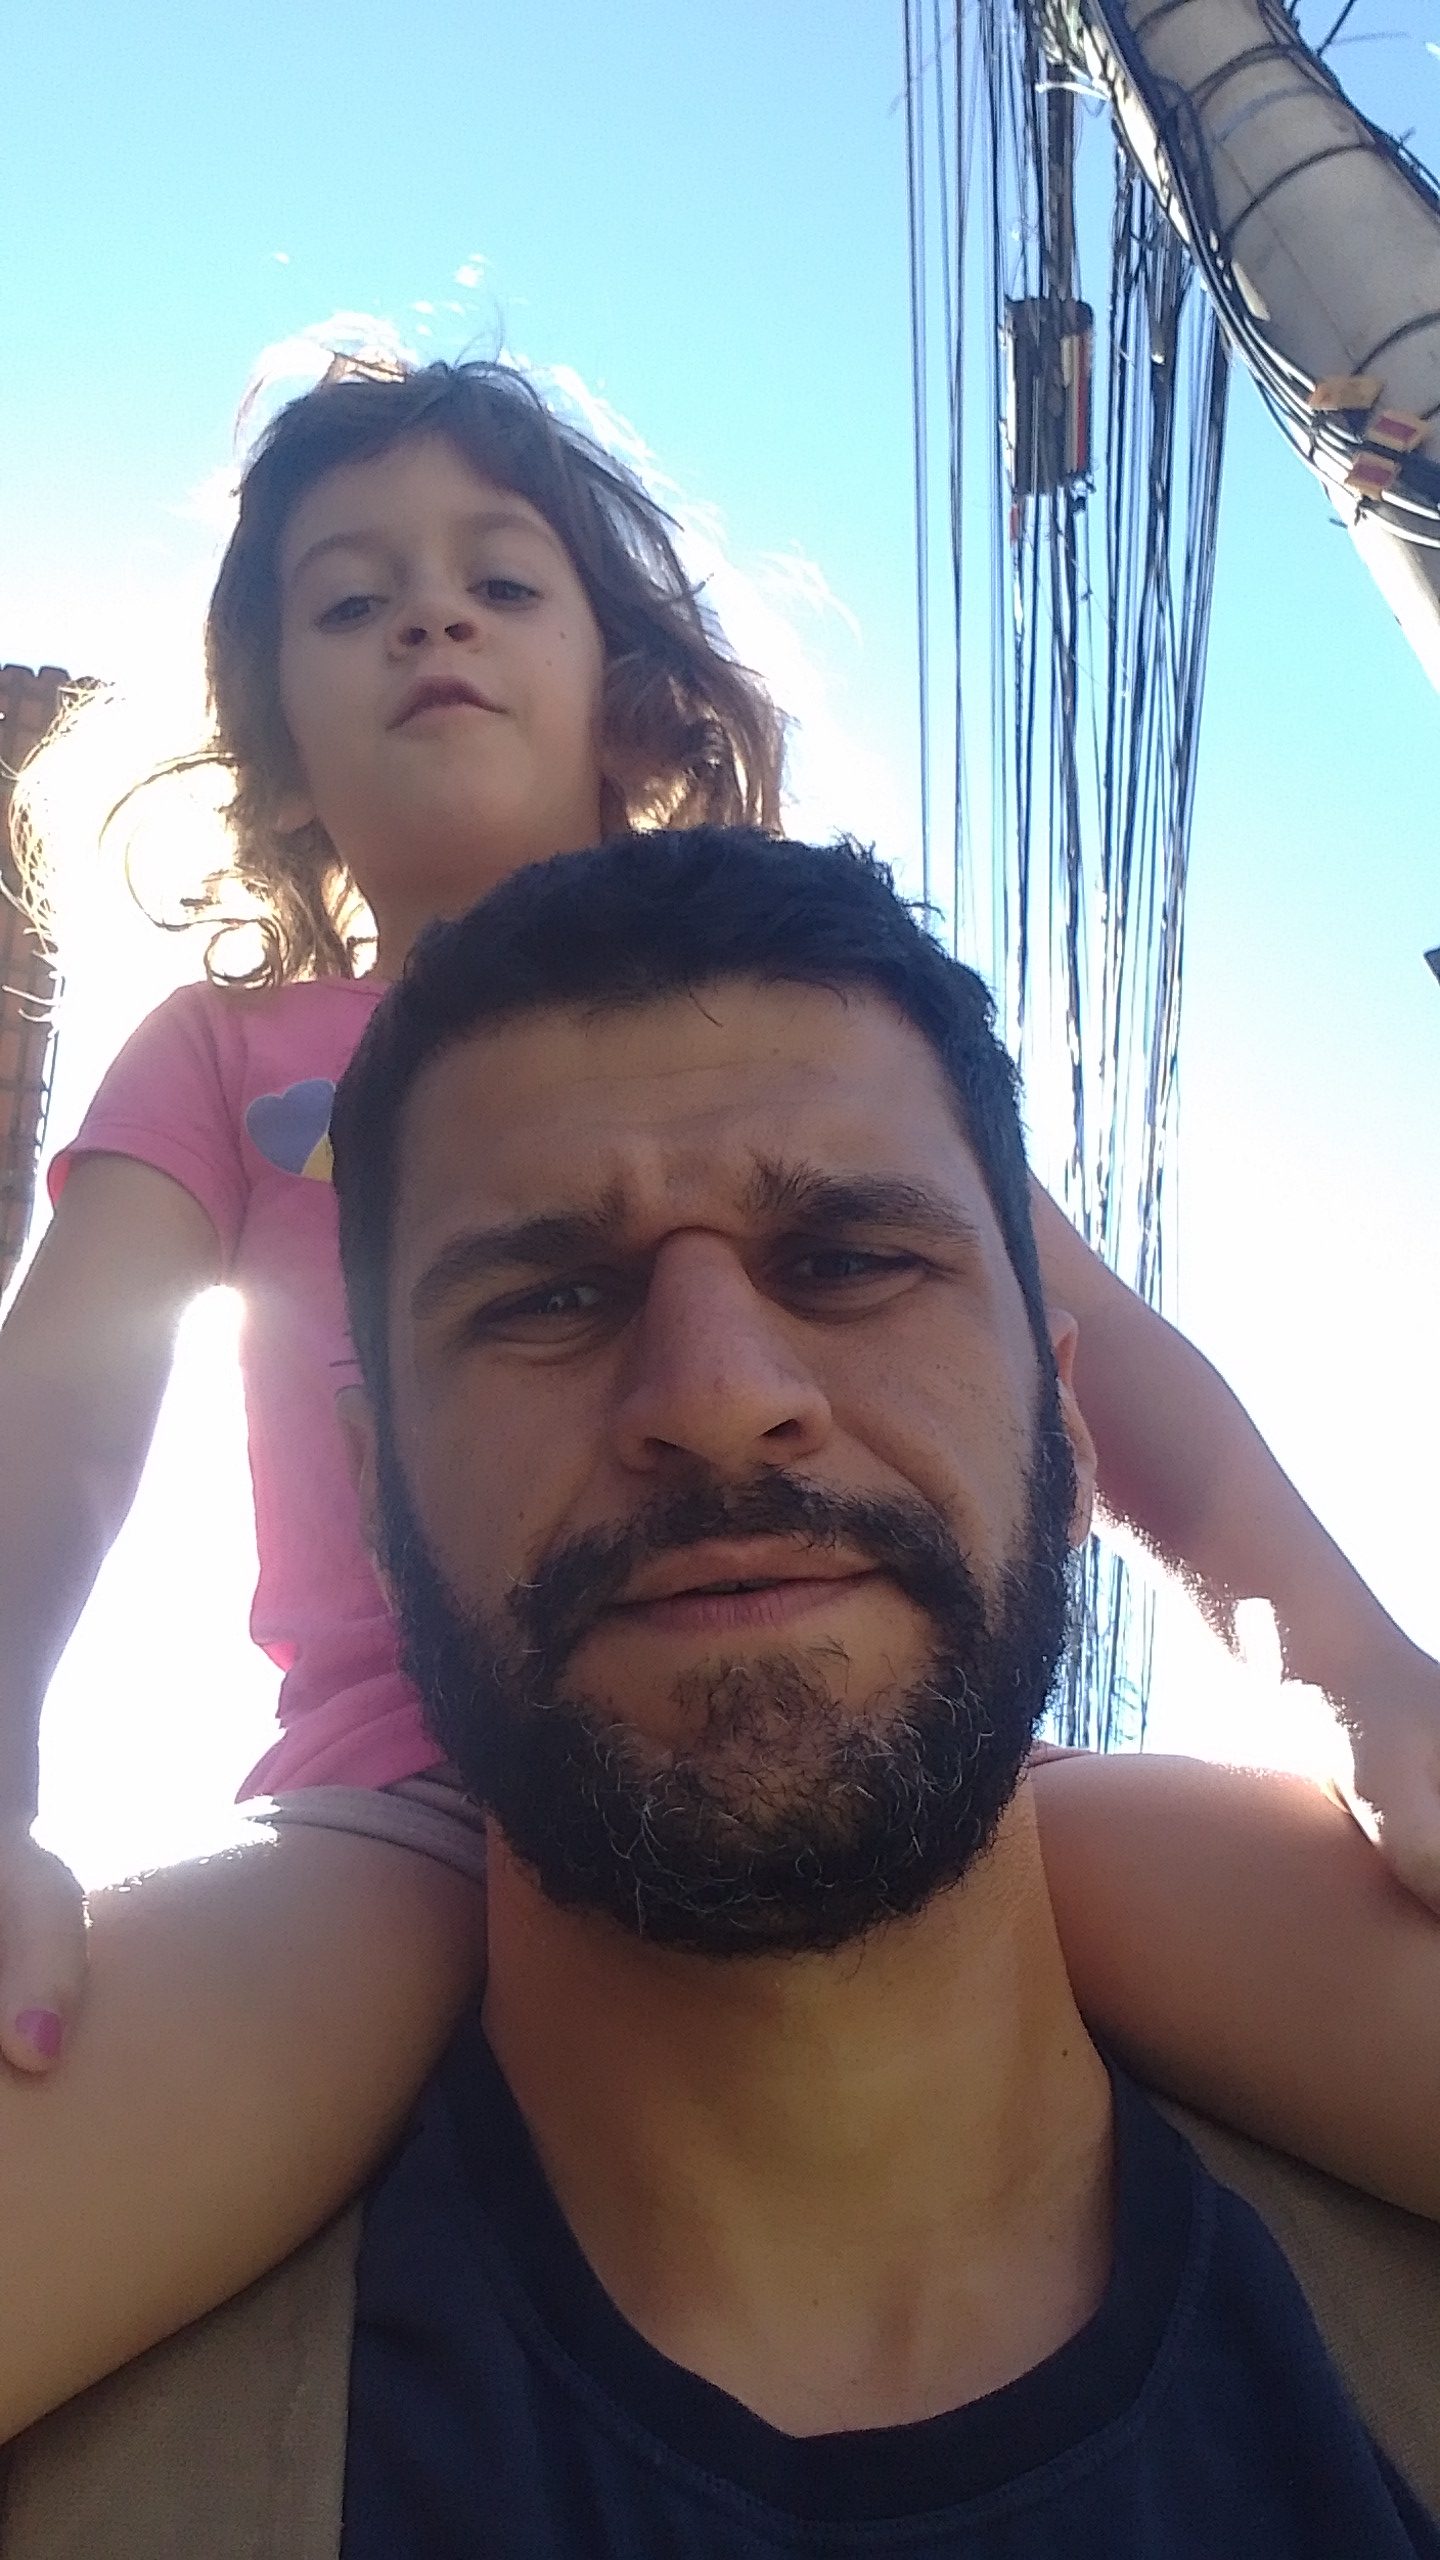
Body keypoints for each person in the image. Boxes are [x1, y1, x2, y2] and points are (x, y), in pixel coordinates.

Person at [0, 360, 1438, 2448]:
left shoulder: (812, 1018)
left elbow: (1122, 1381)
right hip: (397, 1812)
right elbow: (58, 1418)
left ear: (635, 693)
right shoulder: (226, 1055)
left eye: (501, 578)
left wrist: (1368, 1686)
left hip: (919, 1792)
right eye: (351, 599)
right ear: (279, 751)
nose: (430, 617)